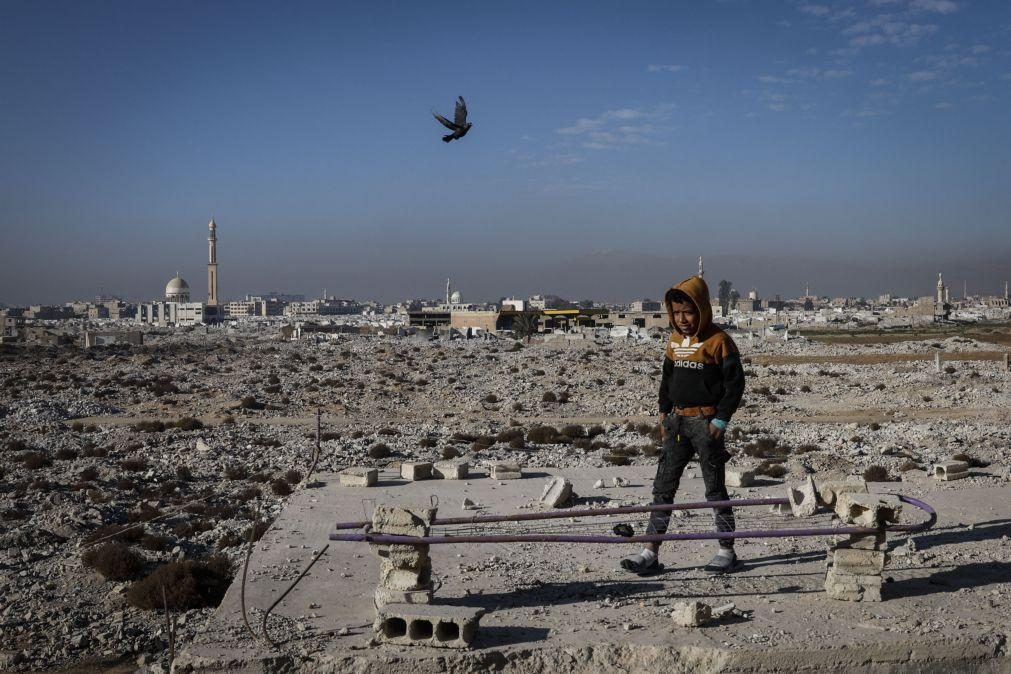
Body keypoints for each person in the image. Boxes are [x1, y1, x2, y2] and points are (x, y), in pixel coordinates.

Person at [621, 275, 746, 576]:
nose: (682, 319)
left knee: (714, 489)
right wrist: (664, 413)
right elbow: (667, 380)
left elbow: (736, 384)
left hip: (706, 423)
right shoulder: (674, 341)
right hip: (676, 423)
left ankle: (726, 550)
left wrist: (720, 420)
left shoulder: (719, 341)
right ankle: (649, 551)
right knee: (663, 488)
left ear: (702, 309)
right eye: (676, 313)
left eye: (688, 312)